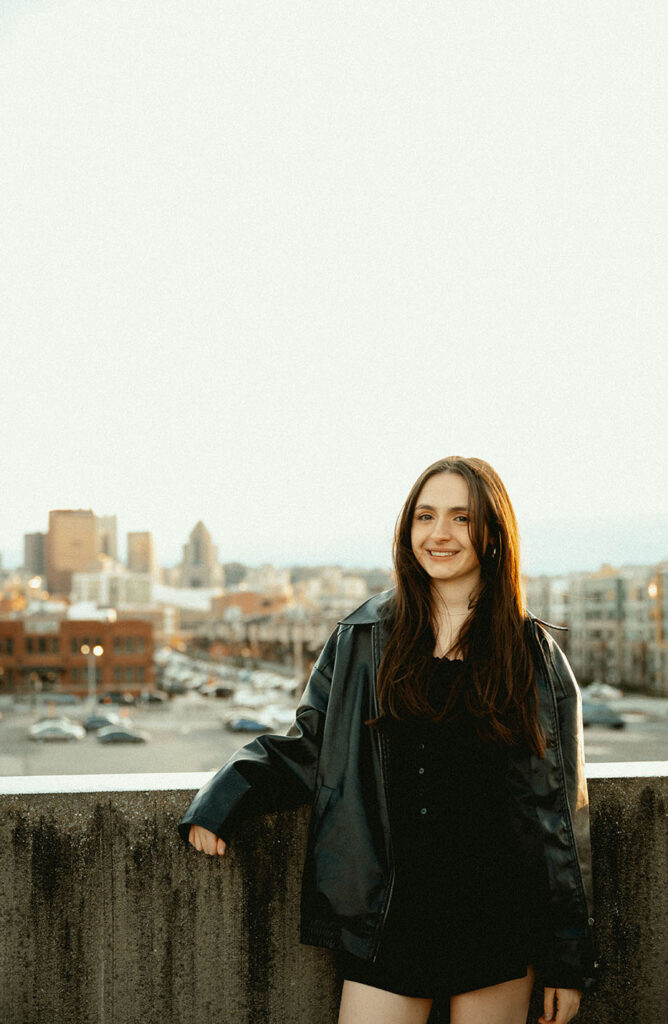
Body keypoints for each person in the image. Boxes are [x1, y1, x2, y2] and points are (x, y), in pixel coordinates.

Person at [179, 456, 599, 1024]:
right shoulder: (363, 638)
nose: (439, 534)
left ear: (494, 534)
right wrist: (227, 793)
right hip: (390, 915)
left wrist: (564, 959)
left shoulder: (532, 656)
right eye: (425, 516)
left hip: (496, 919)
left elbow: (558, 817)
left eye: (461, 518)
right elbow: (313, 748)